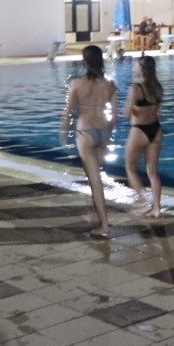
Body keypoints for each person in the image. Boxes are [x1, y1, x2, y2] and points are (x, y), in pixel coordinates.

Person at [60, 45, 118, 237]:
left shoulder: (77, 84)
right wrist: (108, 135)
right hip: (103, 132)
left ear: (84, 62)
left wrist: (64, 132)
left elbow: (68, 112)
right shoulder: (110, 84)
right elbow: (115, 117)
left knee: (95, 180)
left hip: (85, 133)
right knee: (95, 175)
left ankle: (104, 226)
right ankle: (93, 214)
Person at [123, 55, 164, 217]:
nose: (134, 67)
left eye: (136, 65)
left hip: (139, 131)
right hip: (156, 130)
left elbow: (126, 113)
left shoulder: (135, 88)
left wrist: (134, 109)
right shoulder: (158, 87)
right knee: (152, 172)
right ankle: (157, 209)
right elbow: (157, 112)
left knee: (131, 168)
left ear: (141, 69)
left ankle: (141, 202)